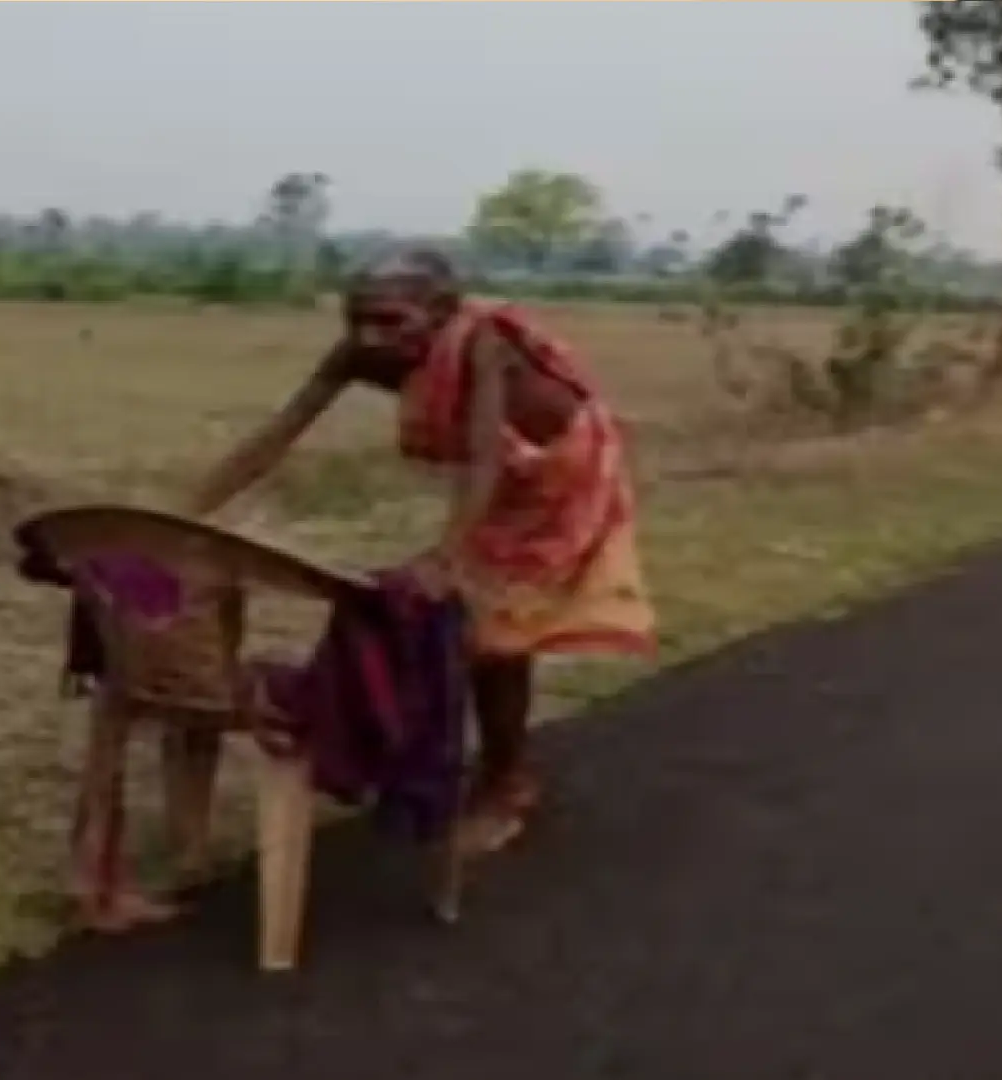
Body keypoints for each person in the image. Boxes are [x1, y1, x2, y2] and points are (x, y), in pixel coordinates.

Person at [182, 249, 656, 852]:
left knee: (495, 631)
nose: (369, 337)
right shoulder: (361, 350)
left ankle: (505, 784)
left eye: (389, 321)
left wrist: (447, 556)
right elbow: (276, 436)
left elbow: (486, 454)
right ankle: (403, 749)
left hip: (557, 476)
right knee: (454, 620)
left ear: (442, 313)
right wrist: (180, 517)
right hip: (499, 479)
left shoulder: (486, 343)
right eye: (356, 320)